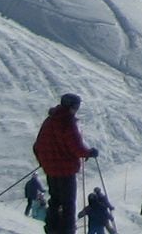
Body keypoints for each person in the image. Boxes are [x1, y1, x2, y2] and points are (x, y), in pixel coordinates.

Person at [33, 93, 98, 234]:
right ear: (72, 107)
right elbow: (75, 147)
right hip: (66, 171)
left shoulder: (49, 121)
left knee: (55, 201)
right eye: (76, 107)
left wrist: (45, 162)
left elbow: (37, 146)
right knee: (68, 204)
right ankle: (66, 231)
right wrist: (89, 153)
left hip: (51, 171)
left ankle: (51, 229)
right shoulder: (67, 123)